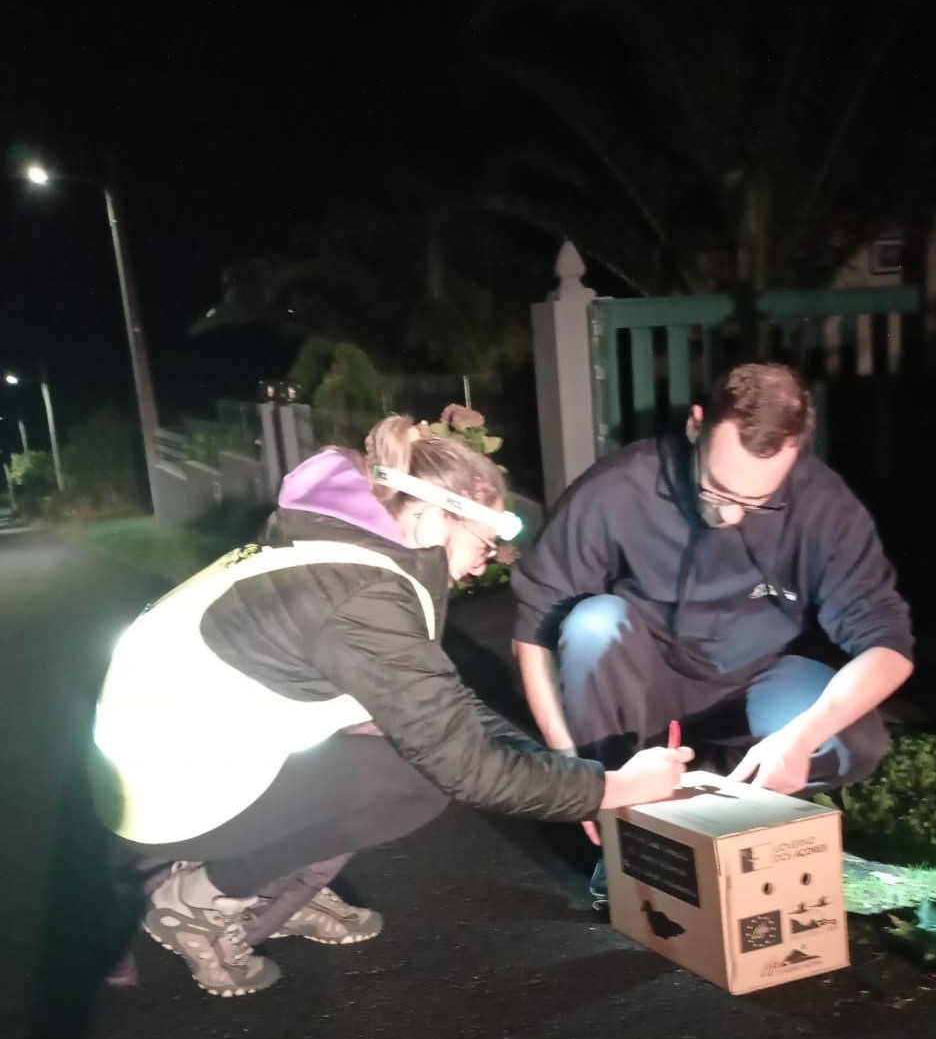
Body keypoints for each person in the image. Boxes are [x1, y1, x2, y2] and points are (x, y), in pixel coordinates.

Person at [90, 416, 693, 997]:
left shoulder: (342, 559)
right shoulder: (365, 597)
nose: (491, 558)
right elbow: (465, 764)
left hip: (161, 768)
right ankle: (201, 901)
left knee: (403, 740)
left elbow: (447, 710)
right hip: (170, 793)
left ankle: (264, 881)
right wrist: (609, 791)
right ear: (431, 513)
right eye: (485, 539)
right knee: (415, 780)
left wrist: (586, 783)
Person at [510, 362, 914, 907]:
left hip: (755, 679)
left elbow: (889, 647)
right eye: (718, 490)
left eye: (757, 502)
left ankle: (723, 806)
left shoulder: (823, 504)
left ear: (794, 455)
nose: (732, 516)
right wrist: (574, 776)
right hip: (646, 680)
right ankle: (624, 837)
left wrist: (800, 737)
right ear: (697, 425)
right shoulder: (619, 489)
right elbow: (532, 631)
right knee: (593, 624)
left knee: (853, 738)